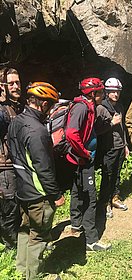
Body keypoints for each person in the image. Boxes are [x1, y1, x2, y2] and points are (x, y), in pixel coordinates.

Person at [7, 82, 65, 280]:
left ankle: (22, 269)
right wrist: (56, 195)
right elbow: (43, 168)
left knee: (25, 230)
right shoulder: (37, 131)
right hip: (38, 194)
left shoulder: (16, 121)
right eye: (50, 105)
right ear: (42, 104)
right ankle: (35, 275)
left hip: (21, 189)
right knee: (39, 236)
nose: (51, 111)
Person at [65, 77, 111, 251]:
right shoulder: (82, 107)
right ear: (92, 94)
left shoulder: (87, 106)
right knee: (91, 197)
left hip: (81, 160)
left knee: (77, 190)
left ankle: (76, 224)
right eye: (100, 92)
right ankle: (91, 239)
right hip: (83, 160)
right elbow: (71, 133)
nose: (103, 95)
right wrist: (84, 152)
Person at [98, 77, 129, 218]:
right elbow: (97, 130)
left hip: (119, 146)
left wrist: (125, 145)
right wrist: (111, 123)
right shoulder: (101, 107)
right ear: (107, 92)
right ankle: (105, 203)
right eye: (112, 91)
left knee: (116, 174)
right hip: (108, 147)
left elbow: (122, 128)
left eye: (117, 91)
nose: (115, 94)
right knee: (107, 175)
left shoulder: (119, 106)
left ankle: (114, 197)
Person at [0, 67, 24, 250]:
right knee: (9, 206)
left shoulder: (16, 106)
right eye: (11, 83)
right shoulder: (2, 108)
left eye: (18, 82)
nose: (16, 86)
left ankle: (19, 242)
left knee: (18, 205)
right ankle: (11, 246)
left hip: (16, 163)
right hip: (4, 166)